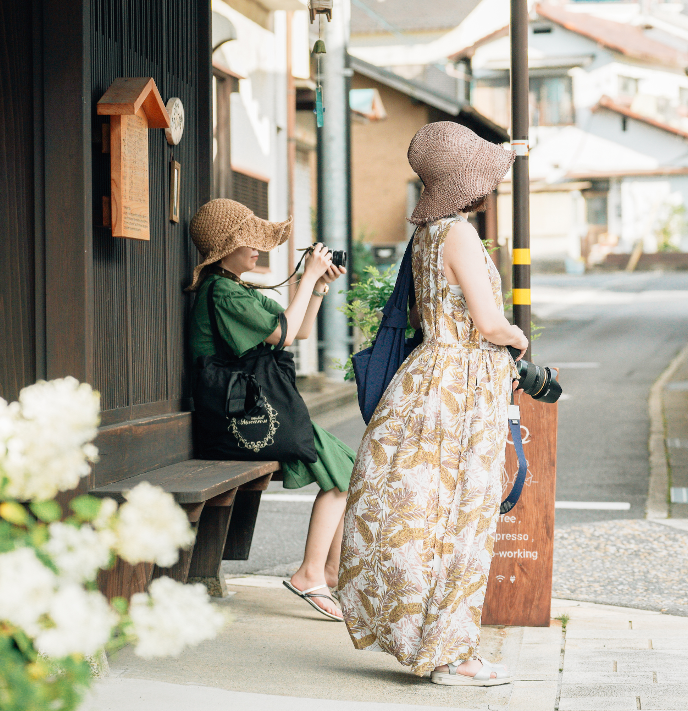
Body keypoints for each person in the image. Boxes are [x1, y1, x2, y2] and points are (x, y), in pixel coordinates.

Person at [337, 122, 527, 686]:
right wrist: (516, 337)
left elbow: (423, 314)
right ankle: (452, 653)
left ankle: (430, 641)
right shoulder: (460, 234)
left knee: (422, 511)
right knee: (463, 515)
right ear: (471, 181)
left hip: (426, 376)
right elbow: (489, 322)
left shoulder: (425, 235)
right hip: (463, 383)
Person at [187, 199, 353, 621]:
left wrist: (318, 286)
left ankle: (329, 572)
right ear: (224, 248)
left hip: (254, 409)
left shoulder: (237, 288)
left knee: (348, 470)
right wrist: (308, 275)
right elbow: (284, 336)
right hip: (240, 415)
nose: (257, 248)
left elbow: (299, 330)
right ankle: (312, 572)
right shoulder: (221, 292)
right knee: (343, 473)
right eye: (248, 240)